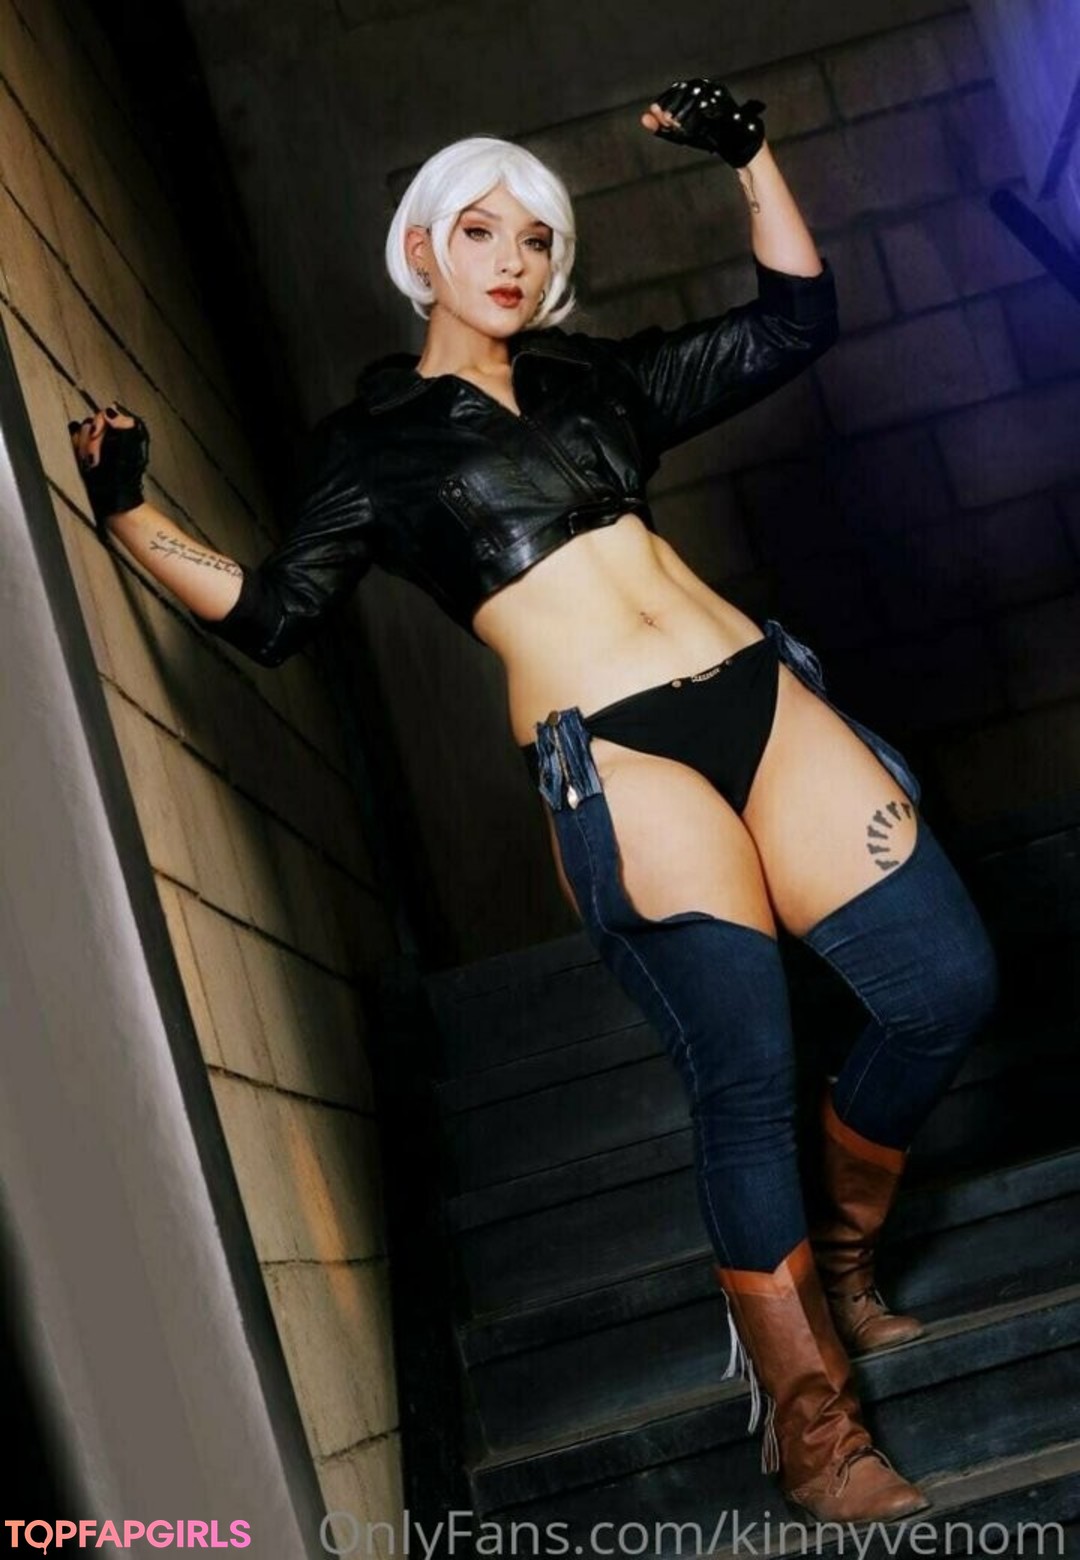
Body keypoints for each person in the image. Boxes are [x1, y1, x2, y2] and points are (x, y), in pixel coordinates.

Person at [68, 78, 998, 1525]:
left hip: (757, 694)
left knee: (943, 983)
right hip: (614, 751)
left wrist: (752, 159)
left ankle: (842, 1252)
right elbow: (272, 613)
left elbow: (794, 325)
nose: (512, 259)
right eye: (480, 231)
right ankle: (814, 1425)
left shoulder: (592, 382)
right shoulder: (373, 446)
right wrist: (132, 511)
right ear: (420, 250)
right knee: (745, 1068)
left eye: (538, 239)